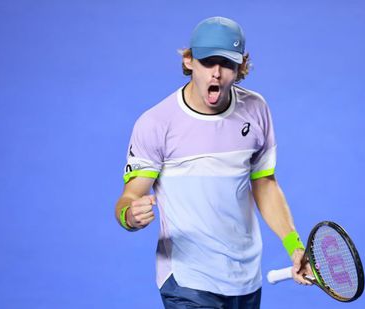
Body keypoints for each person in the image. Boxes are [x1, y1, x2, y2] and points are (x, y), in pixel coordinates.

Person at [114, 16, 313, 308]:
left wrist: (294, 247)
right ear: (189, 61)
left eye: (227, 64)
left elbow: (265, 186)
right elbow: (129, 198)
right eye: (208, 62)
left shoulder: (256, 110)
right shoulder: (156, 123)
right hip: (187, 280)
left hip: (245, 278)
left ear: (241, 67)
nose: (217, 74)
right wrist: (130, 216)